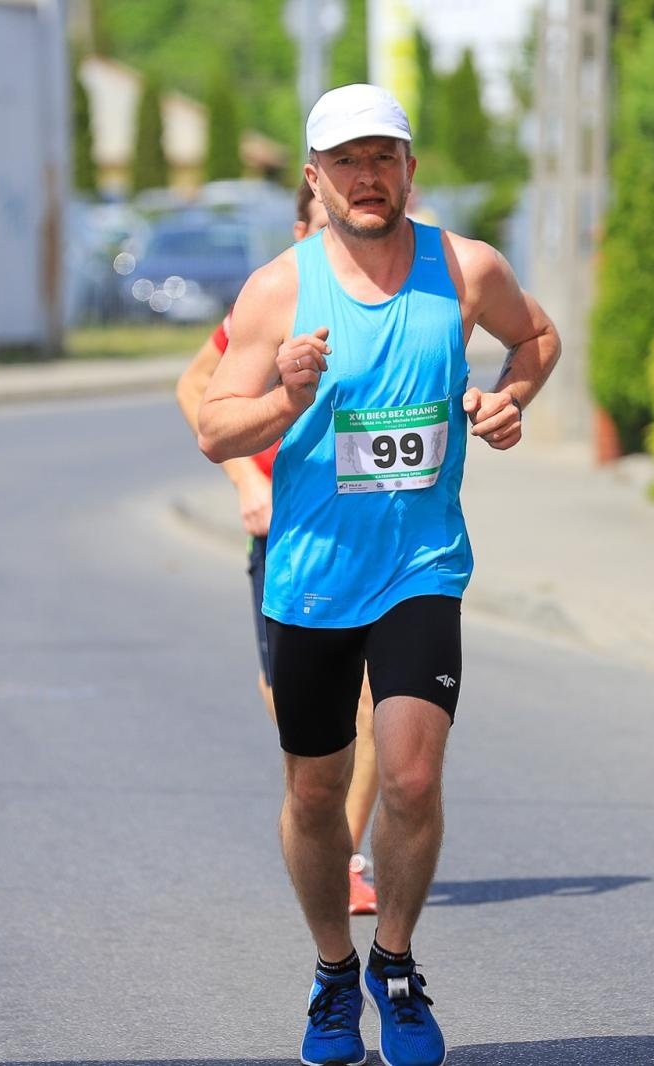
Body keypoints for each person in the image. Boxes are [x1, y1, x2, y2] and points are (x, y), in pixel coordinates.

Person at [197, 83, 560, 1066]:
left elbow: (536, 337)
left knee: (408, 771)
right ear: (314, 179)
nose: (367, 177)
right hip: (311, 575)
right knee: (316, 795)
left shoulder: (464, 267)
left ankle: (393, 964)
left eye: (383, 157)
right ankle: (330, 971)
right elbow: (211, 425)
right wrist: (284, 396)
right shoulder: (280, 290)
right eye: (345, 161)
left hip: (421, 568)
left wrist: (507, 399)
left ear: (409, 168)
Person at [174, 183, 379, 917]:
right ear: (303, 226)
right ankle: (321, 815)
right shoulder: (276, 296)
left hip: (371, 525)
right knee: (297, 709)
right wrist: (241, 481)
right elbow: (195, 386)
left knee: (374, 705)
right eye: (328, 226)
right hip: (285, 526)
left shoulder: (389, 284)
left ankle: (346, 856)